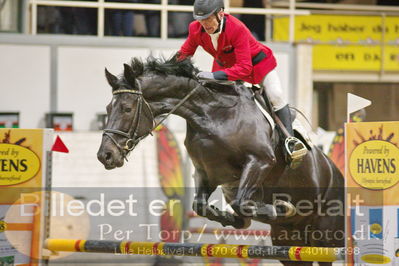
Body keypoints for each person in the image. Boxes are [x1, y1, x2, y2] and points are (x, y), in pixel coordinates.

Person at [177, 0, 307, 166]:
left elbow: (244, 68)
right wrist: (168, 68)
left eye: (208, 19)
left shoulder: (236, 28)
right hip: (226, 67)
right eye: (201, 20)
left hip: (257, 65)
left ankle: (290, 142)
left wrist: (214, 75)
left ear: (221, 14)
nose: (204, 24)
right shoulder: (195, 28)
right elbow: (184, 53)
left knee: (276, 95)